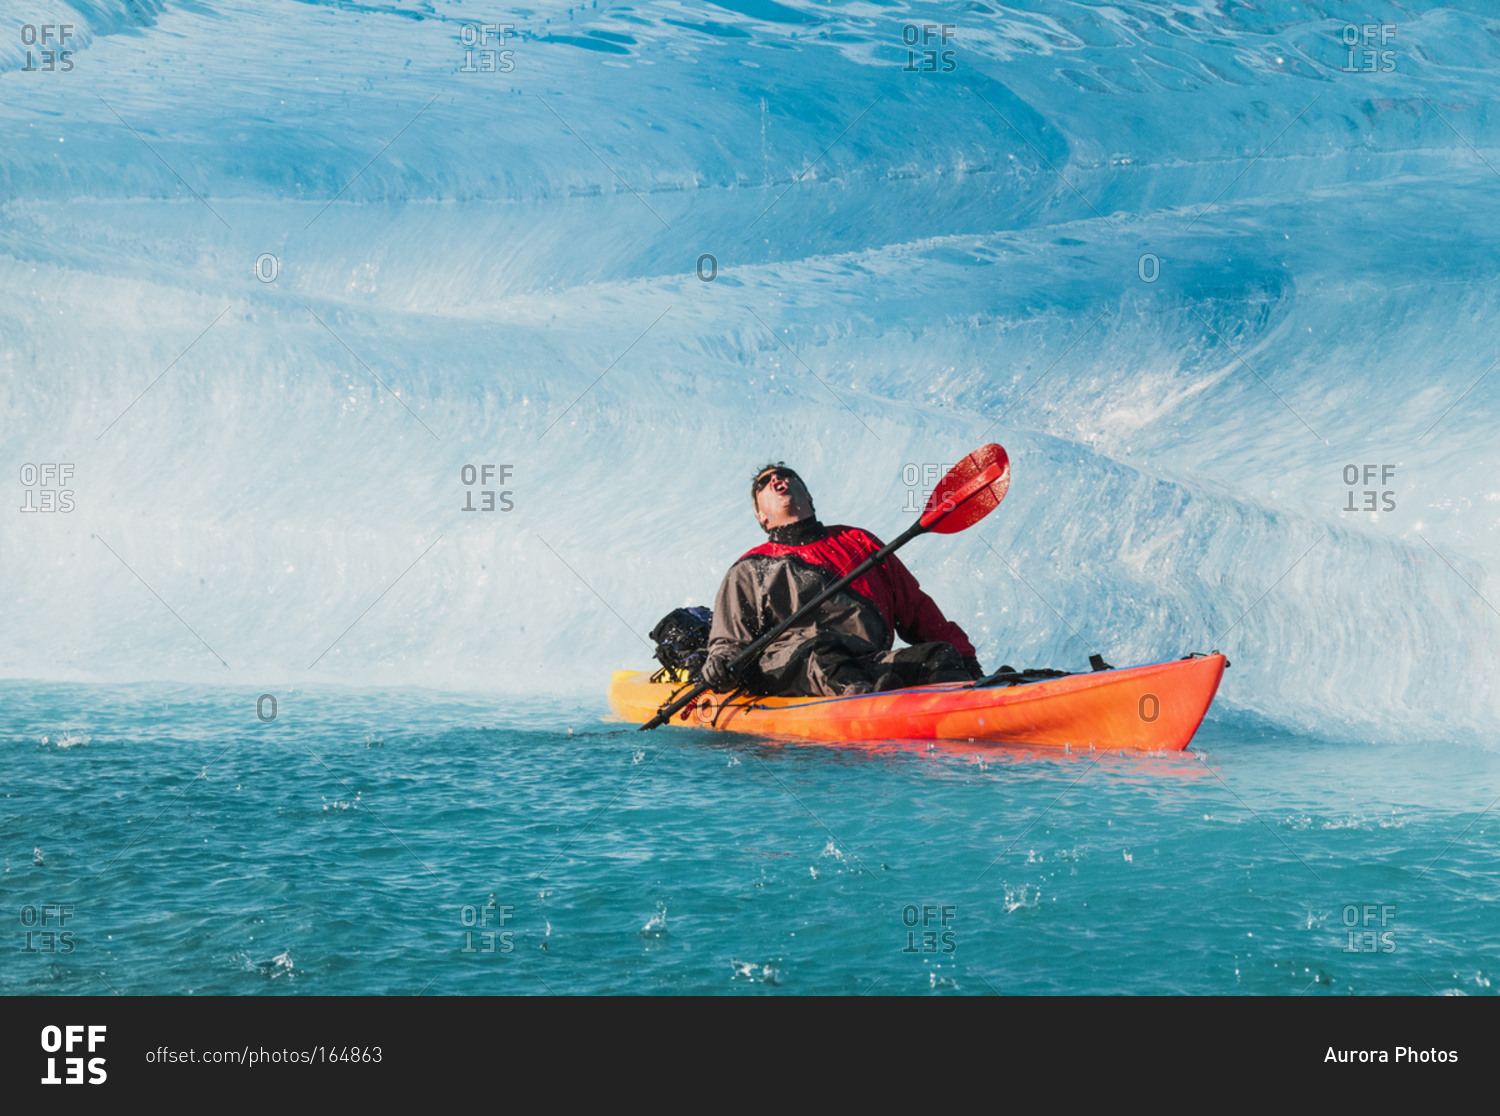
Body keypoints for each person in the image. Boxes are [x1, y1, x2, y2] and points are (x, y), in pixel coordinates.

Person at [701, 463, 986, 697]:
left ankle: (964, 700)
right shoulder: (749, 569)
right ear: (762, 517)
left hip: (867, 665)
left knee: (940, 655)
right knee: (822, 651)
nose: (776, 479)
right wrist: (720, 666)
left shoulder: (860, 542)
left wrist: (966, 659)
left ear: (809, 497)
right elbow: (729, 640)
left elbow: (917, 609)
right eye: (763, 483)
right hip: (794, 667)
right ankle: (870, 702)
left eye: (786, 475)